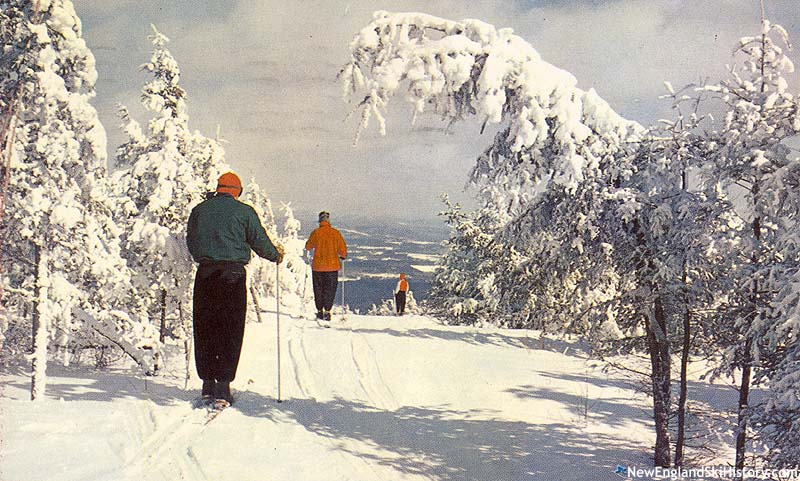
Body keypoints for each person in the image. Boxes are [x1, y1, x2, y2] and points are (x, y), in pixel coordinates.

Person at [186, 172, 283, 406]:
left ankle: (207, 384)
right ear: (237, 191)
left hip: (206, 274)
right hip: (233, 276)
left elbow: (192, 242)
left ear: (219, 188)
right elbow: (259, 242)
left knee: (205, 327)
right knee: (229, 330)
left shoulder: (200, 210)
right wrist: (276, 255)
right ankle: (223, 387)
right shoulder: (244, 212)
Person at [305, 211, 347, 321]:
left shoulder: (316, 233)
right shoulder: (335, 233)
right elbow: (342, 249)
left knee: (318, 288)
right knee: (330, 289)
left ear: (320, 221)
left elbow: (308, 246)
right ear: (329, 220)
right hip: (332, 267)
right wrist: (343, 256)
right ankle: (327, 311)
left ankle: (319, 311)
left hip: (318, 267)